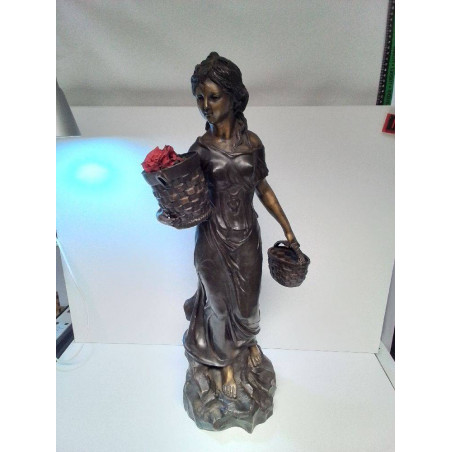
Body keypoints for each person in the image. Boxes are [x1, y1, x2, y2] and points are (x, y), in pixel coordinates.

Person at [183, 52, 299, 399]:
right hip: (212, 240)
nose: (206, 106)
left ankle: (246, 345)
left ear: (233, 97)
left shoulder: (253, 144)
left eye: (214, 96)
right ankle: (224, 366)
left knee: (247, 311)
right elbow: (187, 198)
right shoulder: (199, 150)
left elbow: (263, 189)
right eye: (200, 98)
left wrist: (288, 230)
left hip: (247, 237)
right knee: (219, 308)